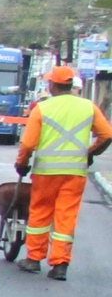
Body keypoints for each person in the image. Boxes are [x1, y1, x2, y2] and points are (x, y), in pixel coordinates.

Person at [12, 65, 112, 279]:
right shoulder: (88, 107)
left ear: (52, 85)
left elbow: (28, 144)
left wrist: (22, 163)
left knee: (40, 212)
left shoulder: (42, 108)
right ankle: (60, 265)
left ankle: (34, 259)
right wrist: (90, 153)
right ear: (70, 84)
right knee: (66, 217)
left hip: (46, 173)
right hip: (75, 173)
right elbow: (107, 135)